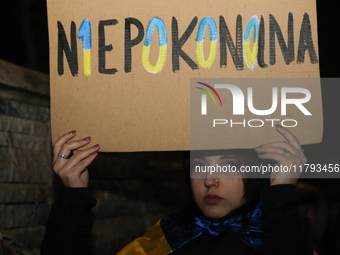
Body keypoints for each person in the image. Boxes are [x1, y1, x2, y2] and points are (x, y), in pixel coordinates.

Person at [41, 125, 314, 254]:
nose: (210, 180)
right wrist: (76, 198)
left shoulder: (283, 237)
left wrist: (281, 197)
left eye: (229, 165)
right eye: (199, 165)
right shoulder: (167, 239)